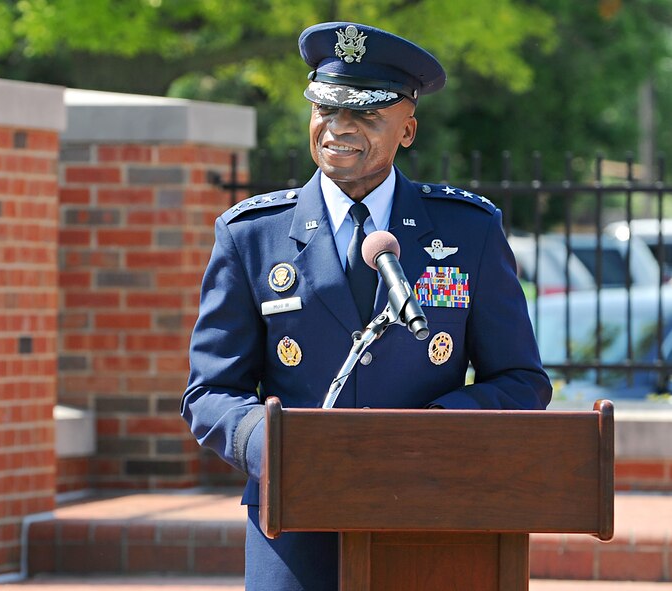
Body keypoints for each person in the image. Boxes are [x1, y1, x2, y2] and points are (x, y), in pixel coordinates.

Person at [181, 21, 552, 591]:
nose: (338, 129)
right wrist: (269, 442)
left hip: (430, 504)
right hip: (296, 515)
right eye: (326, 110)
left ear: (407, 130)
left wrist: (438, 428)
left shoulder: (468, 231)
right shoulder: (252, 236)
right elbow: (210, 391)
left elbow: (522, 380)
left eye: (364, 116)